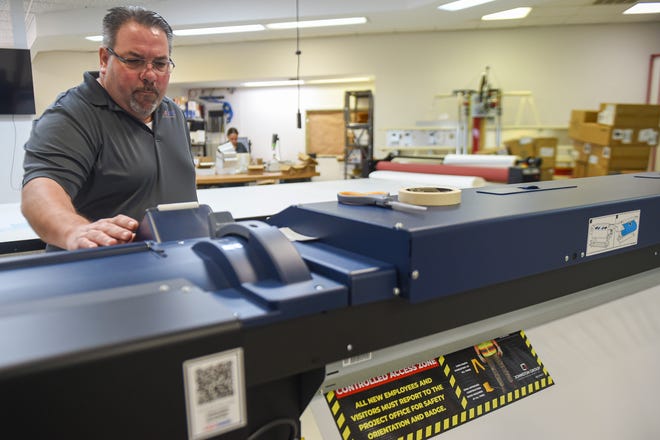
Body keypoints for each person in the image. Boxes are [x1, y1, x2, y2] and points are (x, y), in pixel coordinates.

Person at [21, 6, 197, 251]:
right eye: (134, 61)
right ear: (105, 59)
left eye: (160, 63)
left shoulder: (172, 113)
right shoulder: (72, 115)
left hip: (176, 267)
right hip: (100, 273)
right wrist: (73, 230)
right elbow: (40, 190)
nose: (150, 75)